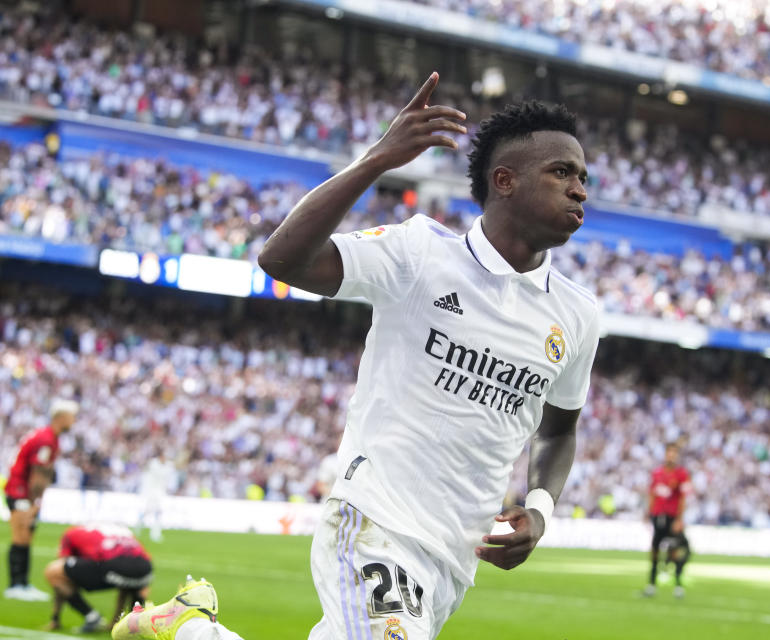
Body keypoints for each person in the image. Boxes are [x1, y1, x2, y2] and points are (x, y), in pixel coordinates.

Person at [114, 71, 600, 640]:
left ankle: (190, 631)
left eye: (584, 177)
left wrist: (539, 508)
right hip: (376, 519)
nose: (580, 189)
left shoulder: (577, 314)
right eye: (562, 172)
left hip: (453, 556)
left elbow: (559, 430)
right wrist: (374, 161)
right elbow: (282, 260)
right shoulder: (420, 254)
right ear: (505, 181)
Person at [5, 398, 79, 601]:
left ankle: (22, 583)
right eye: (72, 417)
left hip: (21, 491)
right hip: (20, 492)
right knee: (20, 536)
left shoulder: (49, 437)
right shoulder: (46, 439)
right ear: (61, 417)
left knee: (25, 537)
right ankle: (16, 584)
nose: (73, 421)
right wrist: (35, 502)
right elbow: (38, 475)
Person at [44, 523, 153, 632]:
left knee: (54, 571)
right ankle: (126, 623)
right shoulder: (120, 530)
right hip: (146, 570)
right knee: (127, 579)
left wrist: (55, 617)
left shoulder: (71, 533)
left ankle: (91, 616)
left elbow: (63, 569)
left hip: (114, 566)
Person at [643, 442, 692, 599]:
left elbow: (683, 498)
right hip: (658, 516)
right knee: (655, 551)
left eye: (674, 453)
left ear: (677, 455)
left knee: (676, 551)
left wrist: (679, 519)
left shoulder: (681, 474)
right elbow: (652, 494)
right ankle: (651, 584)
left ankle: (677, 585)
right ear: (665, 454)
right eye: (669, 452)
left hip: (672, 518)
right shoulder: (657, 473)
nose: (671, 455)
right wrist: (648, 513)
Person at [138, 449, 178, 542]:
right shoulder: (154, 464)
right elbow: (160, 474)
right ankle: (140, 525)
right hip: (151, 492)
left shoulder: (167, 465)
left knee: (158, 512)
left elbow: (169, 476)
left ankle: (155, 533)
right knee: (149, 511)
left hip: (160, 493)